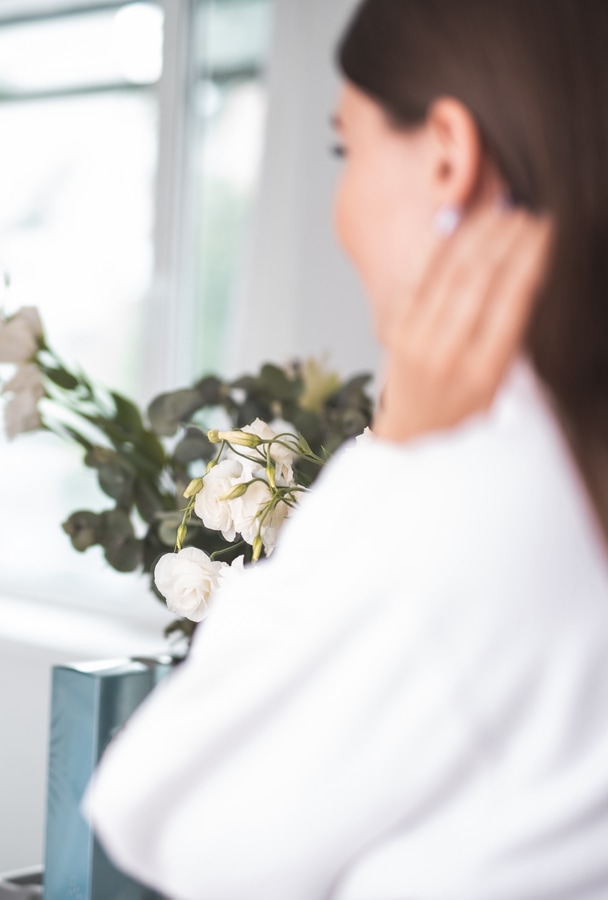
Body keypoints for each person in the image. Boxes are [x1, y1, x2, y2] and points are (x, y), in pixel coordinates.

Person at [84, 0, 608, 896]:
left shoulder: (483, 501)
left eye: (346, 149)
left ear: (448, 156)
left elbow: (164, 819)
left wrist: (399, 456)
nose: (341, 205)